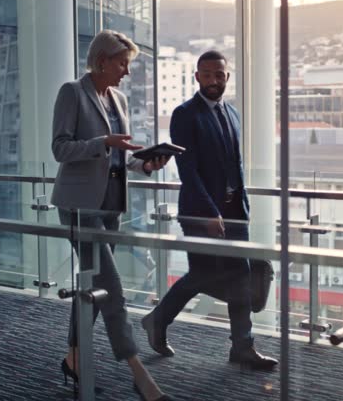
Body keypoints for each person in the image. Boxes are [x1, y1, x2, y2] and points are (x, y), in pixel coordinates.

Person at [51, 30, 171, 401]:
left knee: (94, 288)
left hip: (109, 208)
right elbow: (60, 148)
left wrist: (145, 163)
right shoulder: (73, 92)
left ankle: (73, 356)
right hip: (79, 208)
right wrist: (102, 144)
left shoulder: (117, 98)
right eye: (123, 63)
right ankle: (140, 376)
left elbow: (121, 157)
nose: (127, 72)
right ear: (102, 60)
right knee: (113, 290)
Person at [141, 50, 278, 370]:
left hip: (234, 212)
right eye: (207, 74)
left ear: (227, 76)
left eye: (220, 74)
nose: (214, 80)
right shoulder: (184, 114)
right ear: (197, 77)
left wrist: (240, 207)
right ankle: (157, 319)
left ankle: (242, 347)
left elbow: (236, 165)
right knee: (203, 274)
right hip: (201, 213)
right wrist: (209, 212)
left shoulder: (232, 113)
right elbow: (188, 170)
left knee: (240, 275)